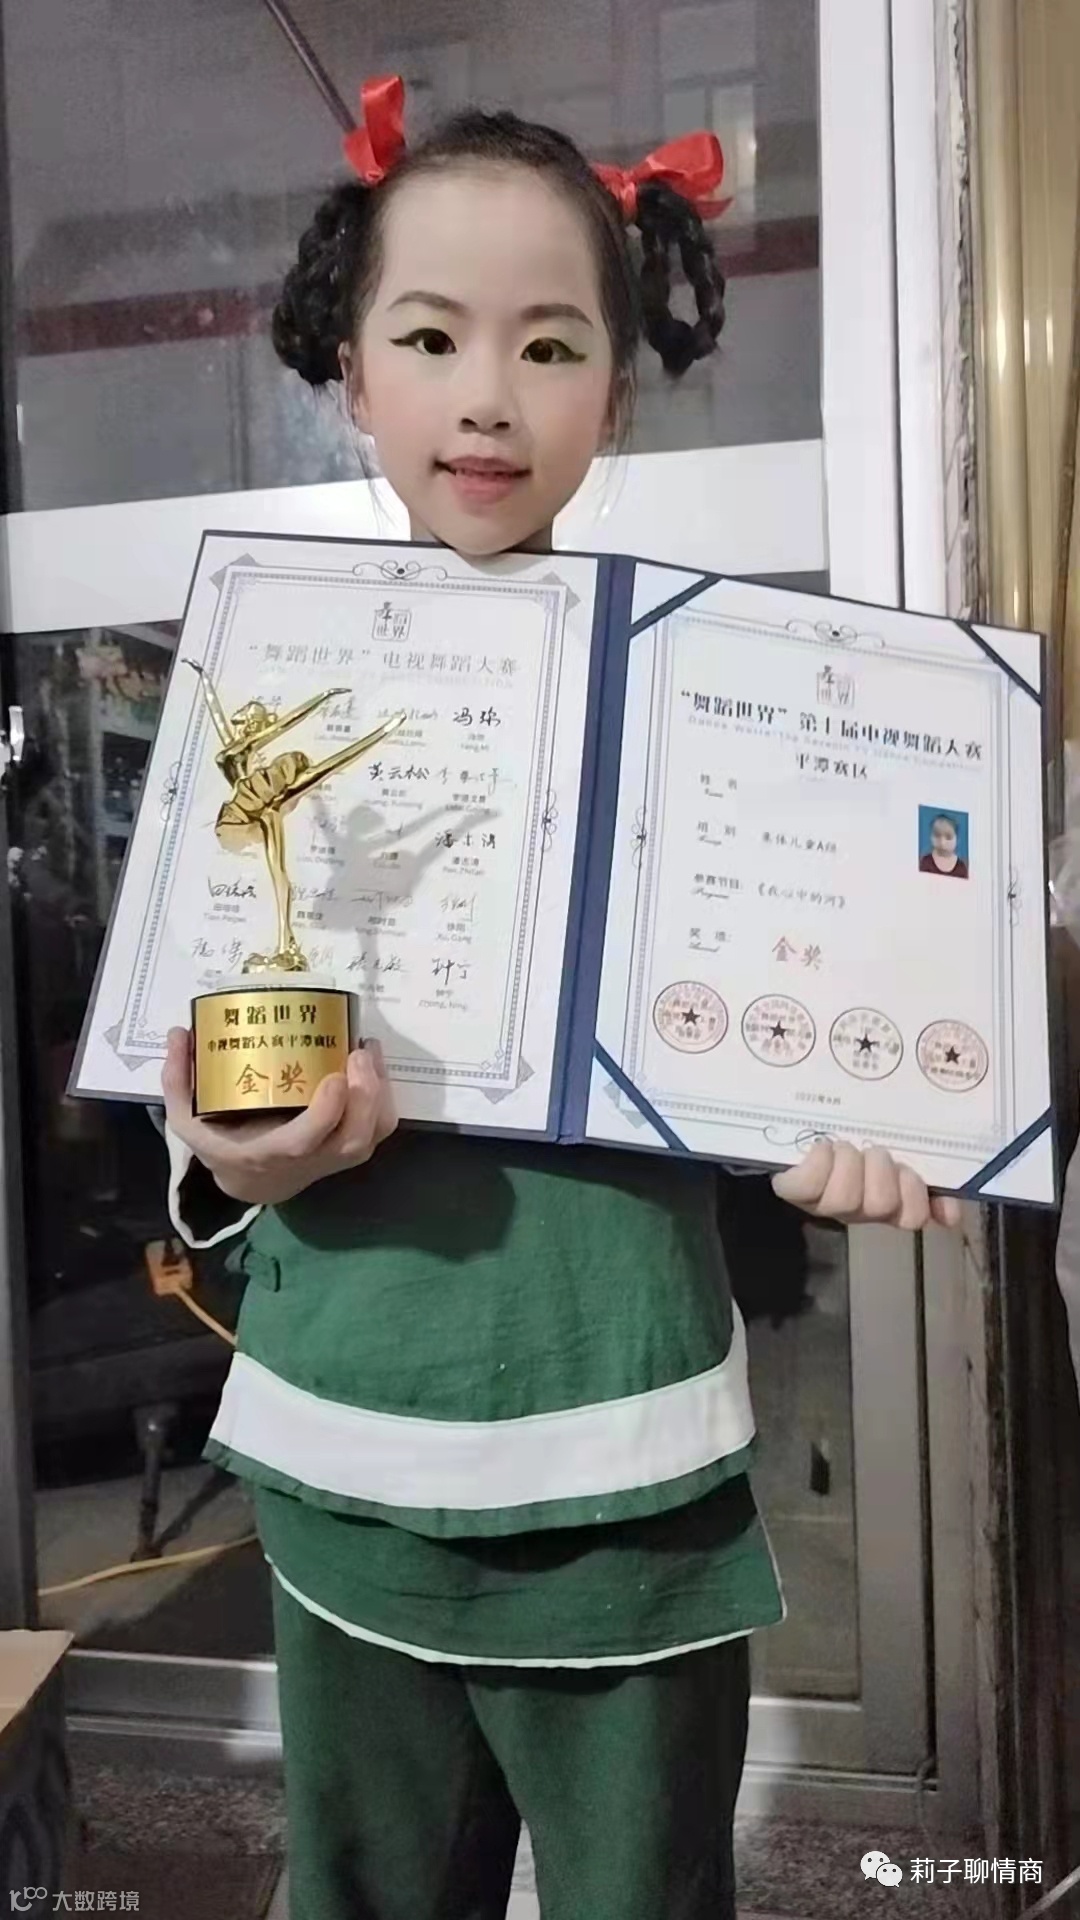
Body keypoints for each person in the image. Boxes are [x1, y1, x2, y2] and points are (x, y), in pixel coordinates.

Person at [162, 82, 961, 1920]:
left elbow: (775, 1004)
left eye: (547, 345)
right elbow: (205, 1076)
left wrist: (843, 1126)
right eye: (429, 337)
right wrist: (236, 1156)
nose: (486, 399)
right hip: (341, 1427)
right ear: (349, 374)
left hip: (626, 1446)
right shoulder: (273, 690)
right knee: (363, 1891)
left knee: (641, 1893)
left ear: (617, 390)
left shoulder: (710, 700)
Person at [919, 812, 968, 878]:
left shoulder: (961, 867)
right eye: (937, 836)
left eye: (948, 837)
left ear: (957, 839)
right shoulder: (926, 862)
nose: (942, 843)